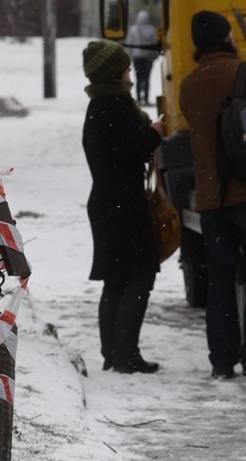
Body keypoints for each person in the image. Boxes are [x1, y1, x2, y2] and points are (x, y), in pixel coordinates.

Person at [82, 39, 164, 374]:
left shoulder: (99, 104)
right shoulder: (114, 105)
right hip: (121, 204)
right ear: (115, 71)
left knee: (115, 278)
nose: (131, 73)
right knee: (140, 276)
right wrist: (154, 133)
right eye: (126, 67)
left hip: (107, 201)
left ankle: (114, 353)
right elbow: (131, 152)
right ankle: (124, 354)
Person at [179, 11, 246, 380]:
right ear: (225, 38)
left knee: (220, 281)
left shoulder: (188, 85)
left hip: (210, 199)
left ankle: (222, 360)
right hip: (243, 190)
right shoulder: (241, 72)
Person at [127, 10, 159, 106]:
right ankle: (146, 99)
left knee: (138, 79)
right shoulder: (151, 29)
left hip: (137, 58)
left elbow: (129, 43)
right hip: (148, 58)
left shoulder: (133, 29)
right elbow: (155, 43)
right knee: (147, 78)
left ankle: (138, 99)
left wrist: (130, 55)